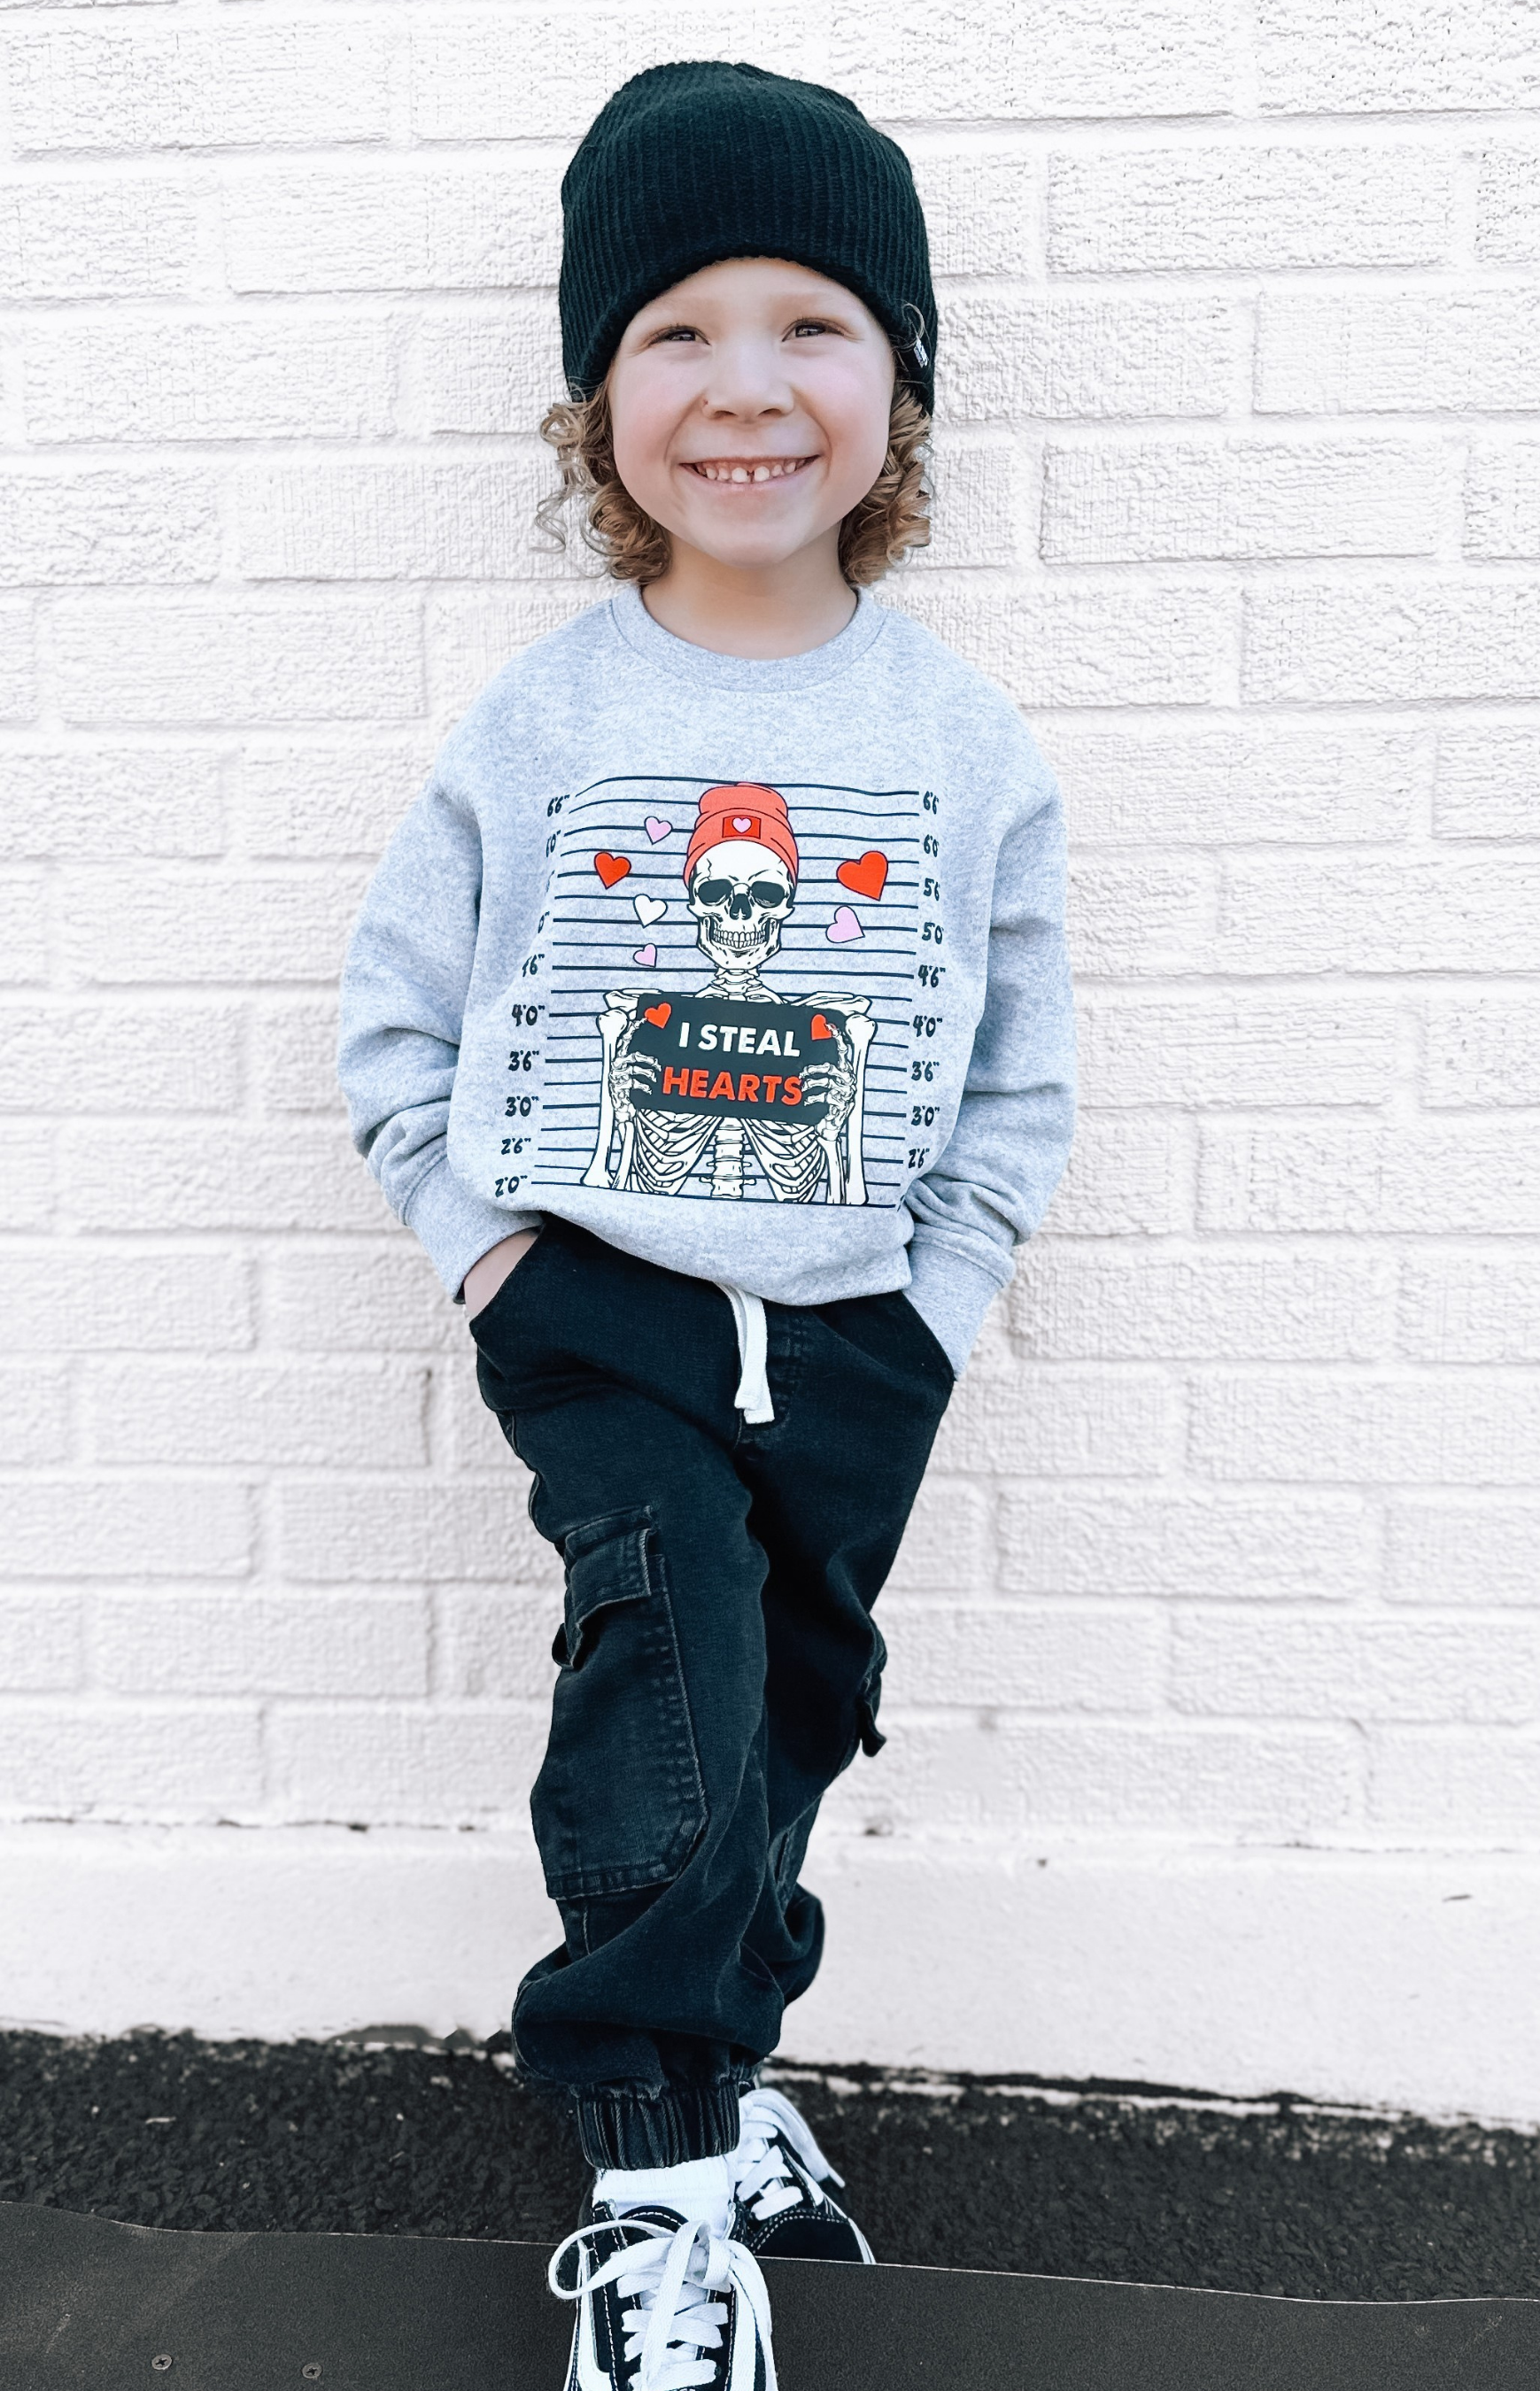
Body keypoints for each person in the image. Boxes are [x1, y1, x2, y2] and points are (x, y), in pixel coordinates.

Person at [336, 58, 1078, 2390]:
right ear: (599, 399)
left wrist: (934, 1300)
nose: (745, 384)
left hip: (852, 1334)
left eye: (808, 324)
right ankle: (649, 2177)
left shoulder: (960, 742)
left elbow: (1016, 1064)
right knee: (663, 1701)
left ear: (898, 382)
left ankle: (728, 2079)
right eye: (677, 329)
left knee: (788, 1720)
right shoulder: (541, 723)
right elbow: (397, 1015)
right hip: (607, 1310)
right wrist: (492, 1251)